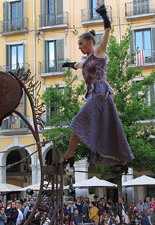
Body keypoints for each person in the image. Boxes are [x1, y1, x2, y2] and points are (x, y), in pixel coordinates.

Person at [60, 1, 134, 170]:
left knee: (77, 123)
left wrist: (103, 14)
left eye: (81, 44)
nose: (79, 47)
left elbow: (108, 30)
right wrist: (67, 65)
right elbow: (76, 65)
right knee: (109, 130)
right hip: (97, 97)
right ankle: (121, 161)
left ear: (89, 43)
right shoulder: (85, 60)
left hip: (100, 94)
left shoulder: (99, 52)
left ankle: (69, 156)